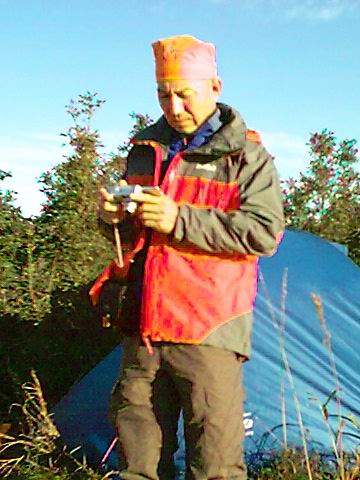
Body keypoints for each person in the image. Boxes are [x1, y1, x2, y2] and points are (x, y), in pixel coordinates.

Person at [92, 35, 285, 480]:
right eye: (163, 95)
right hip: (142, 331)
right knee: (138, 467)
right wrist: (113, 220)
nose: (174, 108)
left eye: (184, 94)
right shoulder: (146, 151)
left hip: (209, 330)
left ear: (215, 87)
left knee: (215, 467)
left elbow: (264, 233)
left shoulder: (247, 158)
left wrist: (178, 218)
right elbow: (133, 237)